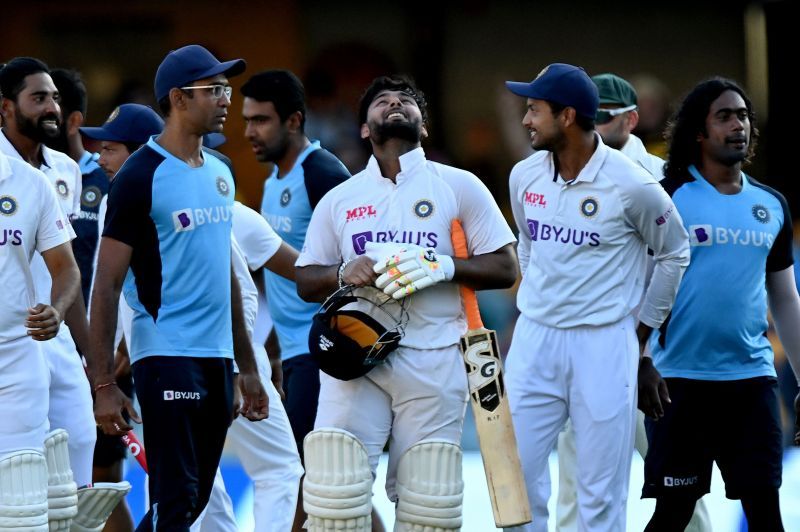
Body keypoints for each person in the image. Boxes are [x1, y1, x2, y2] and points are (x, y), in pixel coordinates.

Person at [295, 74, 517, 531]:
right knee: (335, 498)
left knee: (427, 509)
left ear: (424, 126)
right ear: (363, 128)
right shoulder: (341, 198)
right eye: (381, 102)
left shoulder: (459, 185)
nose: (394, 105)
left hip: (434, 357)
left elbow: (506, 267)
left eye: (405, 101)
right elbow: (304, 278)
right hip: (355, 355)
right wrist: (342, 272)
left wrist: (446, 265)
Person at [87, 44, 267, 531]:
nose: (227, 99)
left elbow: (225, 274)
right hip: (165, 354)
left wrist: (245, 367)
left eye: (226, 89)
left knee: (188, 503)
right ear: (179, 99)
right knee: (178, 497)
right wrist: (103, 385)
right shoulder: (139, 175)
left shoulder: (220, 172)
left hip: (216, 360)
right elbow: (105, 286)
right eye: (214, 90)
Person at [503, 63, 690, 531]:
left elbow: (675, 253)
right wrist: (539, 297)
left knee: (600, 494)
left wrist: (642, 330)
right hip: (535, 340)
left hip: (605, 343)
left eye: (534, 110)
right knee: (514, 481)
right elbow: (527, 243)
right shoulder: (524, 175)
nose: (526, 121)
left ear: (567, 116)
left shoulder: (632, 184)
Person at [641, 77, 800, 532]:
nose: (738, 125)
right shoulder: (667, 197)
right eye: (725, 116)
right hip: (677, 383)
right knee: (673, 513)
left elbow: (785, 298)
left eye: (744, 115)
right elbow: (638, 285)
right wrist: (642, 359)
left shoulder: (770, 204)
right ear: (698, 130)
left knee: (766, 514)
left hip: (750, 383)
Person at [554, 72, 711, 532]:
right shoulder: (562, 175)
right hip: (585, 354)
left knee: (682, 492)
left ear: (632, 119)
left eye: (604, 117)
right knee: (578, 489)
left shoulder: (670, 181)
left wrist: (649, 346)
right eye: (587, 117)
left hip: (659, 359)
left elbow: (686, 268)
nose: (594, 127)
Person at [240, 69, 350, 530]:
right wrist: (272, 348)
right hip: (292, 349)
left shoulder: (322, 173)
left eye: (261, 120)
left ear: (294, 120)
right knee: (330, 482)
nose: (248, 132)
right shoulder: (273, 180)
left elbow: (354, 261)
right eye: (246, 120)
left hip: (322, 349)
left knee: (307, 476)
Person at [189, 134, 304, 532]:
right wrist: (349, 268)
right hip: (231, 357)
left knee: (194, 474)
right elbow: (305, 273)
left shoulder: (152, 211)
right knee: (280, 468)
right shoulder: (237, 216)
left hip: (167, 358)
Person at [0, 57, 97, 488]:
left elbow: (63, 266)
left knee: (79, 442)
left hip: (50, 331)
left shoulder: (66, 171)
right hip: (12, 334)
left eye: (55, 98)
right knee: (22, 467)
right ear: (7, 108)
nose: (51, 108)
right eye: (38, 98)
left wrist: (92, 359)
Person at [80, 102, 164, 532]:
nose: (98, 157)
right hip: (119, 354)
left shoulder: (152, 193)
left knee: (178, 489)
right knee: (102, 483)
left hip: (157, 359)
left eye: (109, 148)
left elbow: (112, 286)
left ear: (137, 153)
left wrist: (112, 361)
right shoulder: (119, 194)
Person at [0, 148, 80, 530]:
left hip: (17, 357)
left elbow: (66, 269)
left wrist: (57, 309)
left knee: (23, 503)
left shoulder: (31, 184)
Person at [47, 68, 110, 306]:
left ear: (74, 121)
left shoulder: (106, 179)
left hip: (92, 328)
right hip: (36, 330)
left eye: (51, 115)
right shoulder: (25, 178)